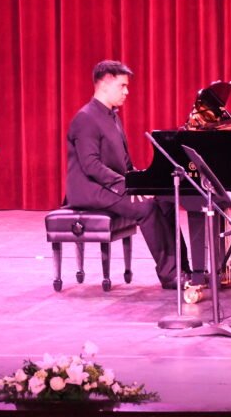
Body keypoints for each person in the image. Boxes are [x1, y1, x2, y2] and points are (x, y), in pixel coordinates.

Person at [65, 60, 190, 288]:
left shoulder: (112, 116)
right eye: (122, 86)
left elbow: (123, 162)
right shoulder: (86, 118)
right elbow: (91, 165)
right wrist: (127, 186)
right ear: (105, 84)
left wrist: (142, 184)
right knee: (145, 207)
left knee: (166, 200)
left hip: (109, 184)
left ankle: (186, 269)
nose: (127, 92)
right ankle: (169, 274)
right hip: (90, 189)